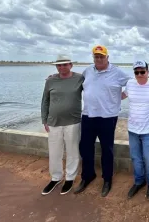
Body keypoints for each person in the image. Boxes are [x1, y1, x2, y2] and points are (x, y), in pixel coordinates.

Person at [74, 45, 149, 197]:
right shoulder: (87, 71)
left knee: (107, 150)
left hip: (108, 117)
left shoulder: (118, 73)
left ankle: (107, 180)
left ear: (107, 57)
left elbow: (135, 81)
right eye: (96, 56)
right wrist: (56, 77)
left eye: (101, 56)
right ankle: (87, 176)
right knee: (85, 148)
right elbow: (75, 82)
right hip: (88, 115)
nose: (99, 59)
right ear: (93, 57)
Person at [41, 55, 84, 195]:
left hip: (73, 121)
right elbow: (45, 101)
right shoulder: (50, 80)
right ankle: (56, 178)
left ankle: (70, 178)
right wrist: (44, 119)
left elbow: (96, 86)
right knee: (54, 152)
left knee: (72, 152)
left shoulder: (80, 78)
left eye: (65, 64)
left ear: (71, 65)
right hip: (53, 122)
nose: (62, 67)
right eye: (59, 65)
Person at [121, 60, 149, 200]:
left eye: (142, 71)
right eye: (136, 72)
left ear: (147, 72)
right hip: (132, 129)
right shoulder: (130, 84)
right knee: (136, 158)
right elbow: (120, 95)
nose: (139, 74)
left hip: (148, 131)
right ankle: (139, 182)